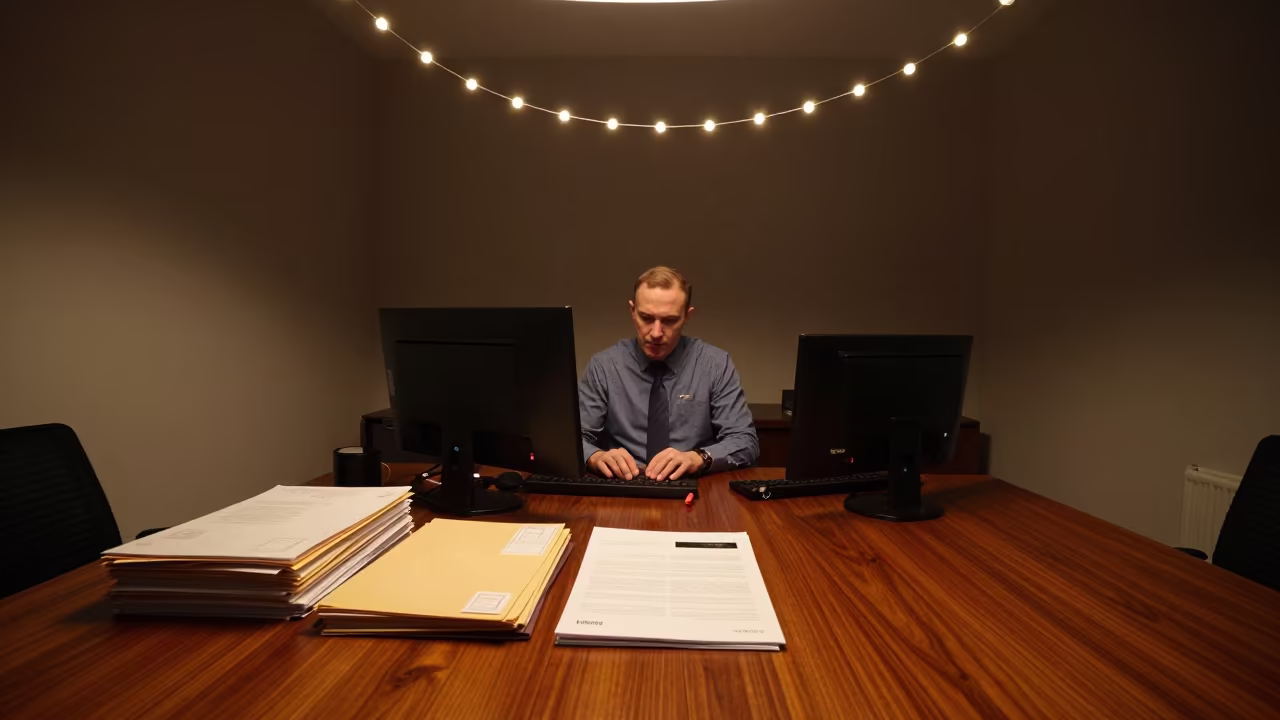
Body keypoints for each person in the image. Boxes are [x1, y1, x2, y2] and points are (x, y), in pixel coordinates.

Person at [579, 266, 759, 481]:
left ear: (686, 316)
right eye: (646, 318)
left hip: (693, 488)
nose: (656, 333)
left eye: (669, 321)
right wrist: (595, 457)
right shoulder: (604, 367)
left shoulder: (715, 365)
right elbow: (574, 440)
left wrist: (698, 458)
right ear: (632, 312)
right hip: (624, 486)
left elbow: (745, 441)